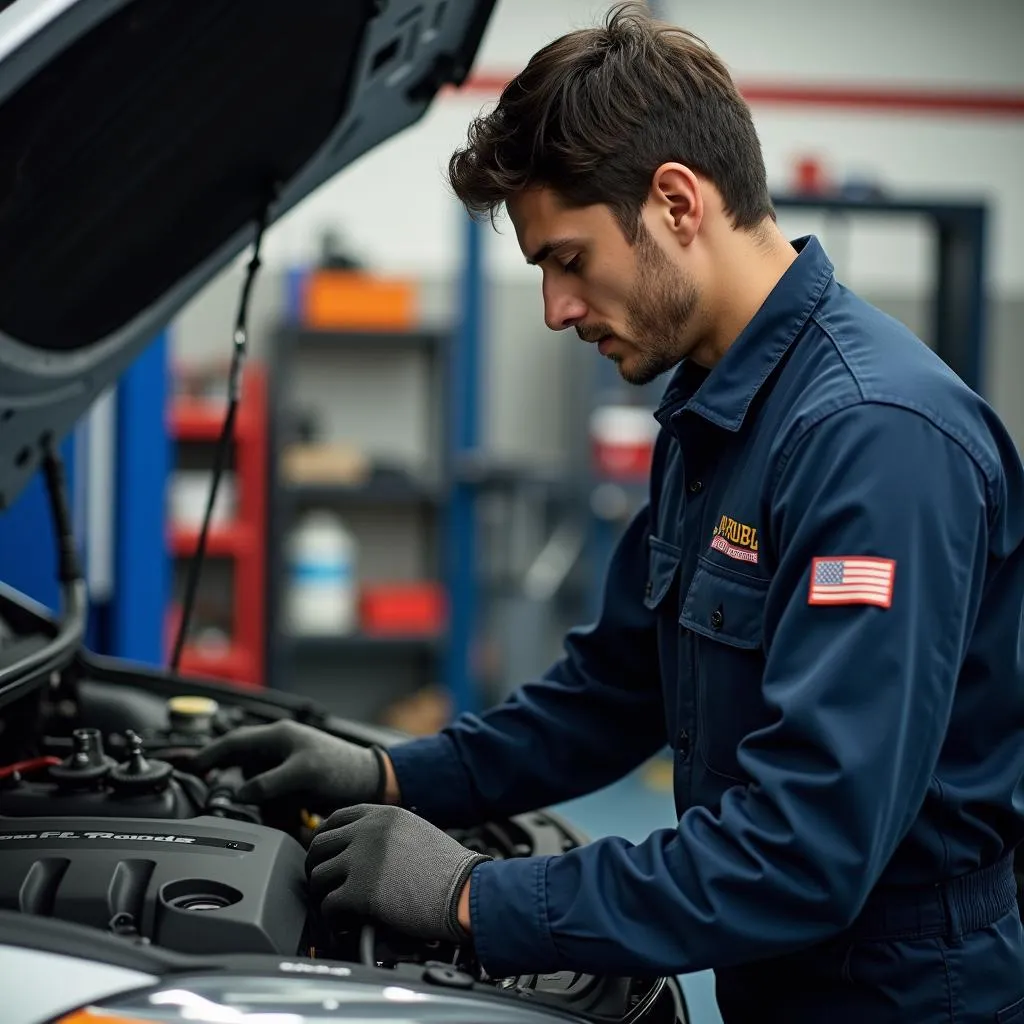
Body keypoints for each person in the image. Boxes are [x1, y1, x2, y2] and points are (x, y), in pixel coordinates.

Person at [192, 4, 1024, 1020]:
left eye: (568, 259)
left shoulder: (874, 437)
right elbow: (612, 691)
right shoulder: (716, 415)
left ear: (677, 202)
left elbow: (808, 848)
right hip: (781, 974)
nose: (553, 309)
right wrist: (389, 773)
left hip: (904, 994)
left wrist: (468, 895)